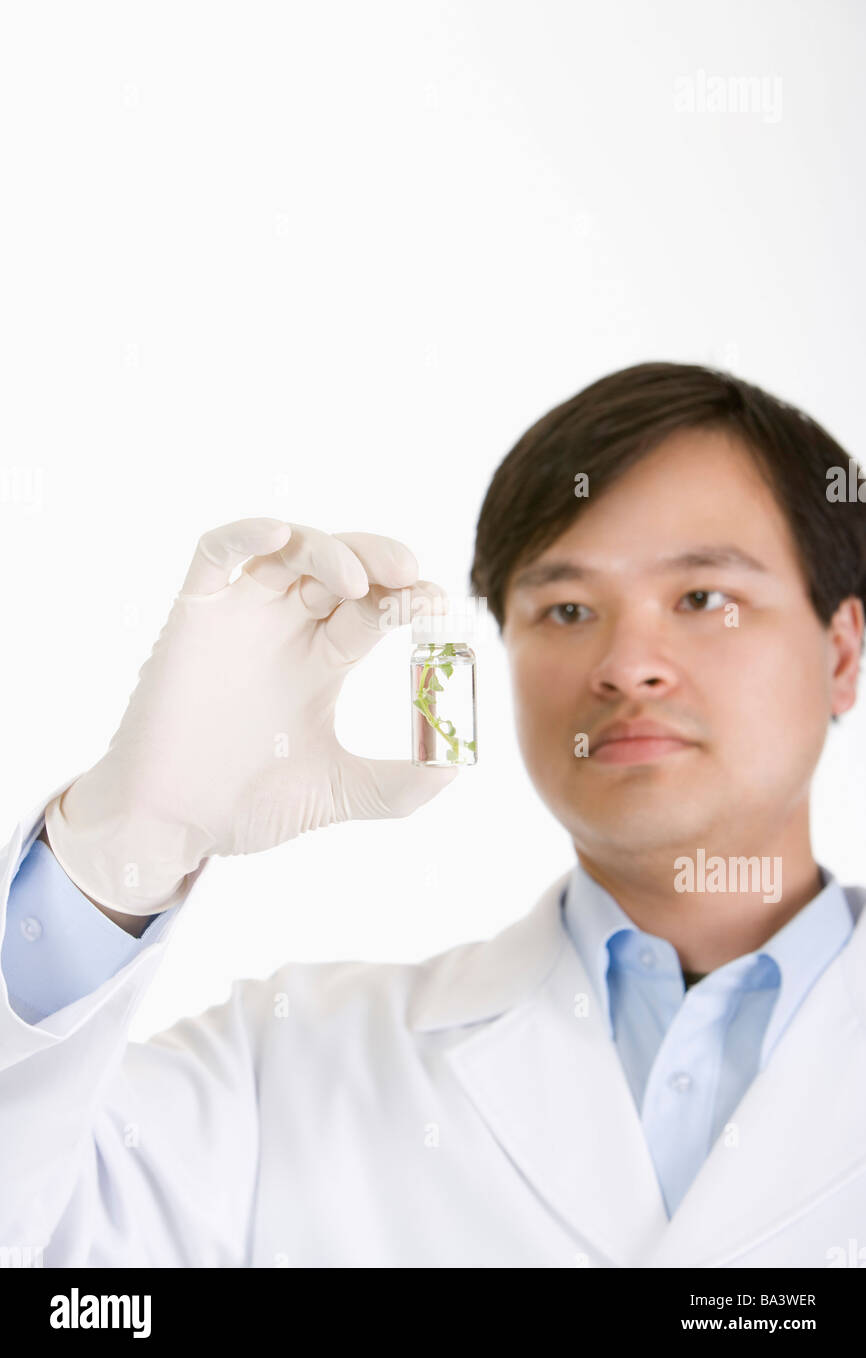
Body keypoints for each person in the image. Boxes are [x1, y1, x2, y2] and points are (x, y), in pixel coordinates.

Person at [3, 360, 866, 1269]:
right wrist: (130, 843)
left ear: (842, 652)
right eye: (566, 607)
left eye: (703, 599)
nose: (626, 664)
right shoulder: (293, 1069)